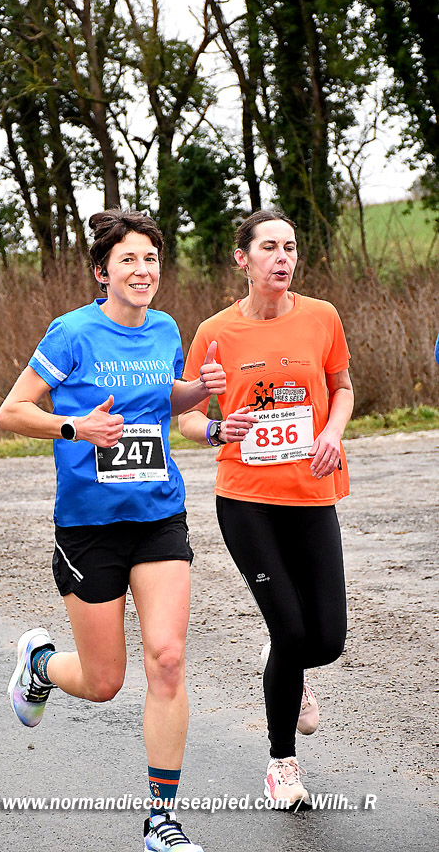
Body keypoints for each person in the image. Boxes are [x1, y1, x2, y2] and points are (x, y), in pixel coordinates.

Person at [0, 209, 226, 851]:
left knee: (168, 659)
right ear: (103, 272)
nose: (142, 270)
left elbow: (162, 399)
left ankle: (162, 819)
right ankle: (41, 664)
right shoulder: (72, 333)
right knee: (104, 683)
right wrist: (75, 427)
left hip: (158, 514)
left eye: (151, 259)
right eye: (128, 259)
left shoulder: (165, 329)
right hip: (89, 525)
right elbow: (11, 412)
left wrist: (197, 390)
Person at [178, 210, 354, 810]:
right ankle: (282, 764)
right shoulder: (215, 332)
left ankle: (283, 661)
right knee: (291, 629)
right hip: (246, 500)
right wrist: (217, 429)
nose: (283, 258)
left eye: (291, 247)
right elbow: (188, 416)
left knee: (326, 641)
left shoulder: (323, 317)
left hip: (313, 492)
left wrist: (331, 431)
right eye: (270, 247)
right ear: (242, 259)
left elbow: (343, 387)